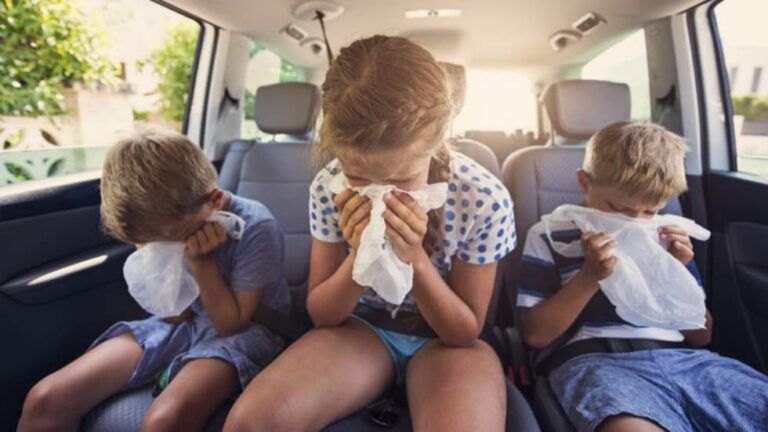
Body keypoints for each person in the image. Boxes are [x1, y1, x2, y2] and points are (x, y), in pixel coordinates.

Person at [223, 35, 515, 432]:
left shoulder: (484, 198)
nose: (381, 194)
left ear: (438, 139)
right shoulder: (330, 186)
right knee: (249, 423)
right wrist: (359, 256)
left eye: (402, 178)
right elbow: (323, 314)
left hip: (445, 343)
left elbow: (463, 332)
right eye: (359, 177)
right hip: (361, 329)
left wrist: (415, 259)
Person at [18, 129, 290, 432]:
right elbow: (175, 313)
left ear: (213, 201)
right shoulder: (161, 227)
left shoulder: (256, 226)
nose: (165, 248)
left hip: (248, 331)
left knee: (165, 420)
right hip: (184, 322)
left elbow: (232, 325)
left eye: (174, 239)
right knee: (46, 398)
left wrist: (201, 262)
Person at [517, 122, 768, 432]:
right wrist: (589, 276)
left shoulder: (665, 236)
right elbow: (535, 336)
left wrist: (676, 272)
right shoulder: (550, 235)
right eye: (619, 209)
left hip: (686, 362)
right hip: (597, 363)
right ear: (584, 182)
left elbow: (701, 337)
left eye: (649, 212)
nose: (634, 222)